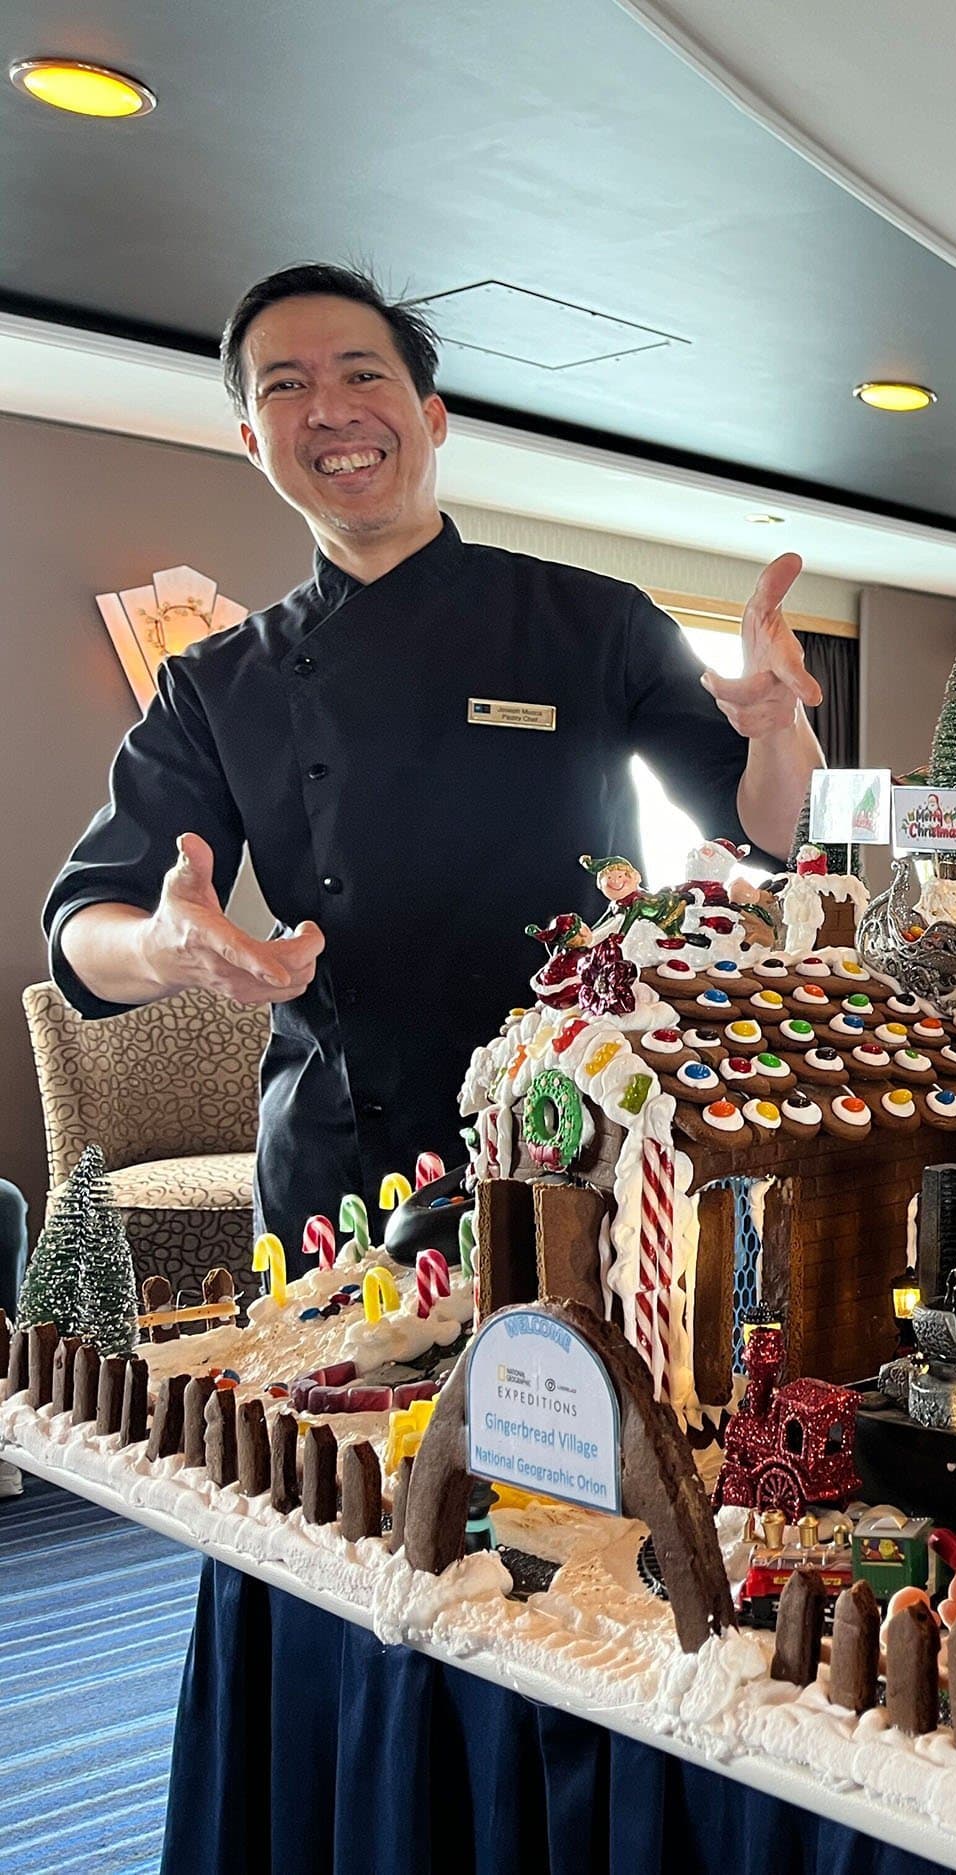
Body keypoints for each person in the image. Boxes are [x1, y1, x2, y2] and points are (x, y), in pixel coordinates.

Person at [43, 264, 824, 1258]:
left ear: (432, 415)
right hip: (342, 1166)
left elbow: (771, 829)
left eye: (362, 374)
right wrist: (164, 947)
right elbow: (84, 927)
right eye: (286, 385)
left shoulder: (592, 622)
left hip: (575, 1131)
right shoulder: (219, 680)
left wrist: (776, 729)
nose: (331, 409)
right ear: (252, 440)